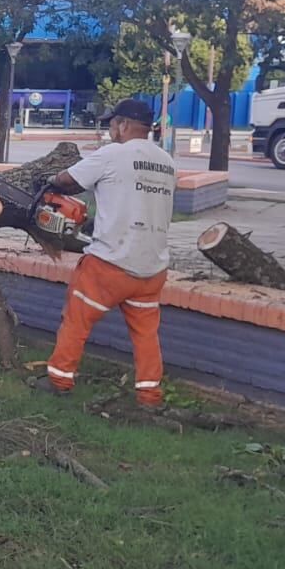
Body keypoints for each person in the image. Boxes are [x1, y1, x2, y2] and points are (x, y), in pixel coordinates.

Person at [34, 99, 177, 407]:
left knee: (76, 319)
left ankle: (59, 379)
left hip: (111, 263)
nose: (110, 129)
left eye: (112, 124)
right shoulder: (166, 161)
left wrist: (49, 180)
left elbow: (68, 180)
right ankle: (149, 395)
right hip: (152, 267)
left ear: (124, 125)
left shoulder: (114, 153)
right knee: (145, 334)